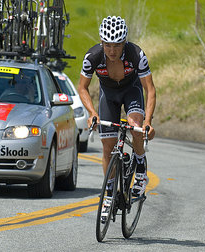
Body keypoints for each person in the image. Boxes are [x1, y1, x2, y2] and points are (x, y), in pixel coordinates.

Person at [78, 16, 156, 217]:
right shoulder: (93, 56)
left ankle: (140, 168)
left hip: (132, 91)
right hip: (108, 96)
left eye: (117, 46)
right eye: (107, 45)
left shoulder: (136, 54)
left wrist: (148, 122)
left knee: (135, 124)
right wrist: (92, 113)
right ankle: (109, 193)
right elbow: (82, 88)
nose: (112, 51)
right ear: (101, 42)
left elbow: (150, 89)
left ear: (124, 43)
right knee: (108, 146)